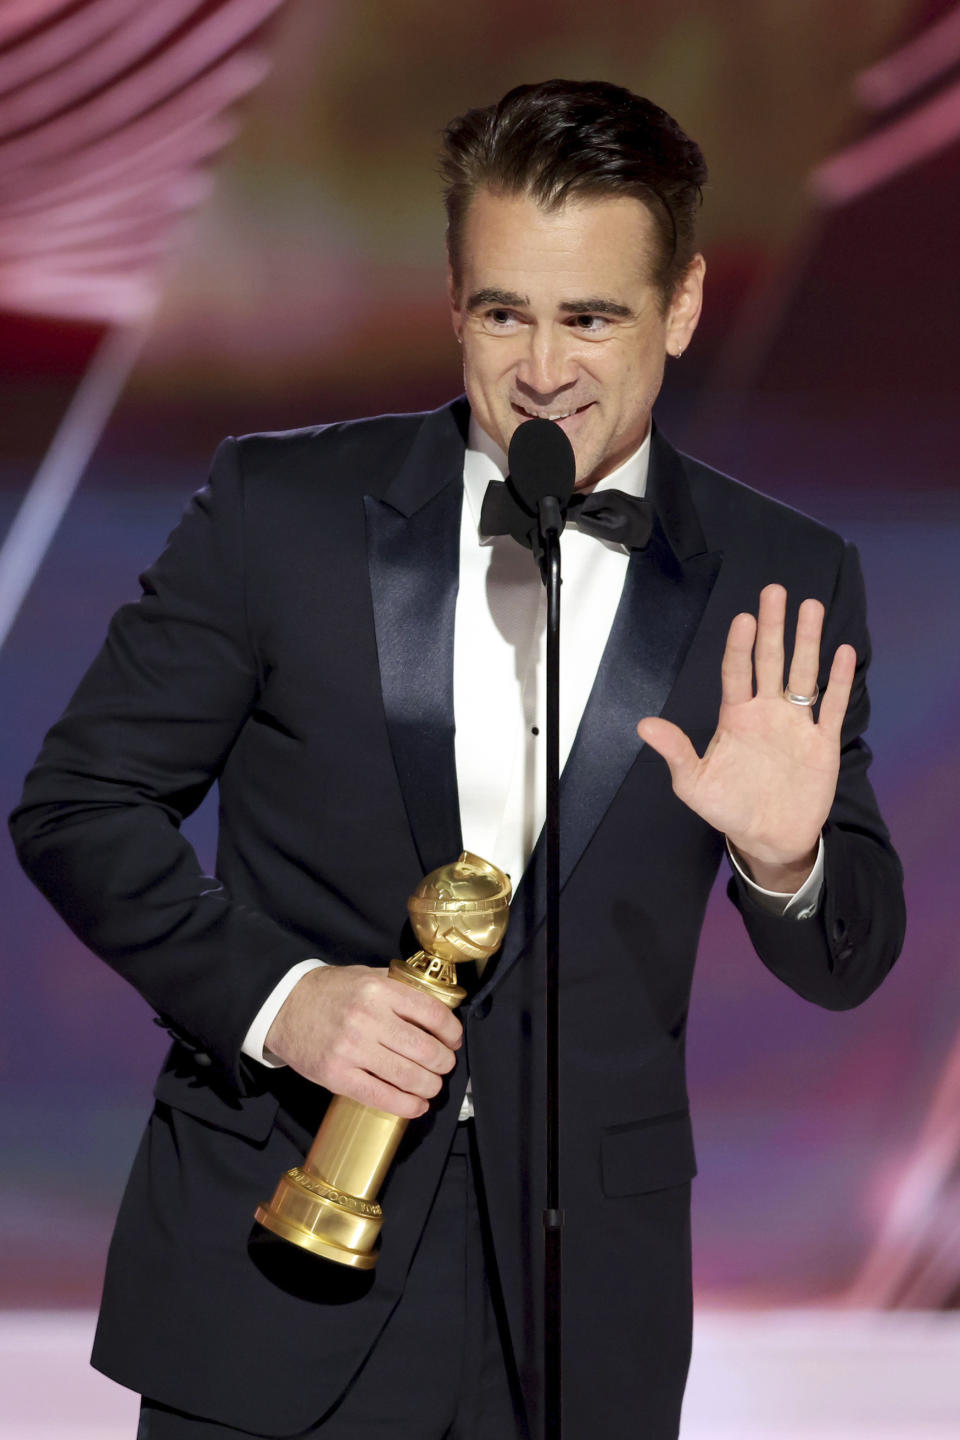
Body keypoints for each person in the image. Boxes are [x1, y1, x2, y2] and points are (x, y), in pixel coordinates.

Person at [10, 80, 905, 1440]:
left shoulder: (781, 579)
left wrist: (788, 861)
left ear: (683, 306)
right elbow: (79, 803)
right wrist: (284, 998)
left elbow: (845, 958)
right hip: (275, 1258)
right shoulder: (282, 513)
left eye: (593, 315)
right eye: (505, 312)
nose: (543, 368)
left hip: (577, 1311)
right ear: (455, 299)